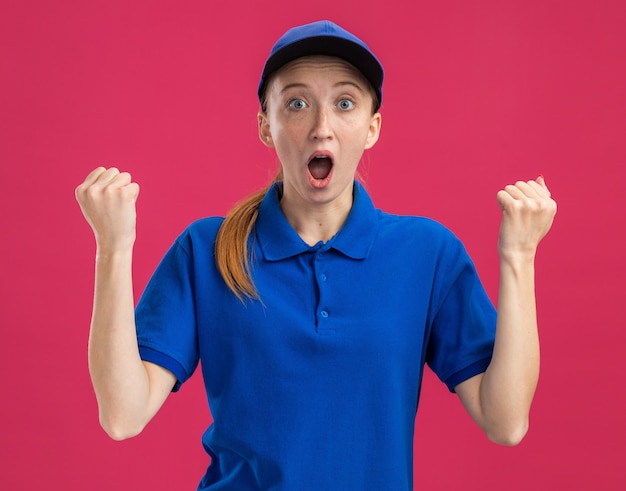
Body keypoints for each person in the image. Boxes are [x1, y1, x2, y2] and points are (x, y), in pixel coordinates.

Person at [75, 20, 557, 491]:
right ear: (267, 125)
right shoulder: (207, 250)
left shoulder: (427, 255)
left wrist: (519, 255)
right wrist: (113, 249)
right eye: (297, 103)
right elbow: (122, 415)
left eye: (344, 103)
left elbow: (506, 421)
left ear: (372, 128)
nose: (321, 128)